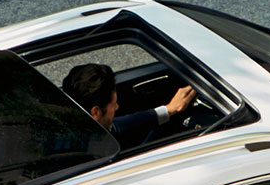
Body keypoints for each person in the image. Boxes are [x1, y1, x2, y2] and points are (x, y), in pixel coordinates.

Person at [58, 62, 198, 148]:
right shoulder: (92, 152)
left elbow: (118, 126)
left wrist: (169, 109)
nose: (117, 107)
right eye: (114, 104)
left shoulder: (77, 125)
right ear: (96, 113)